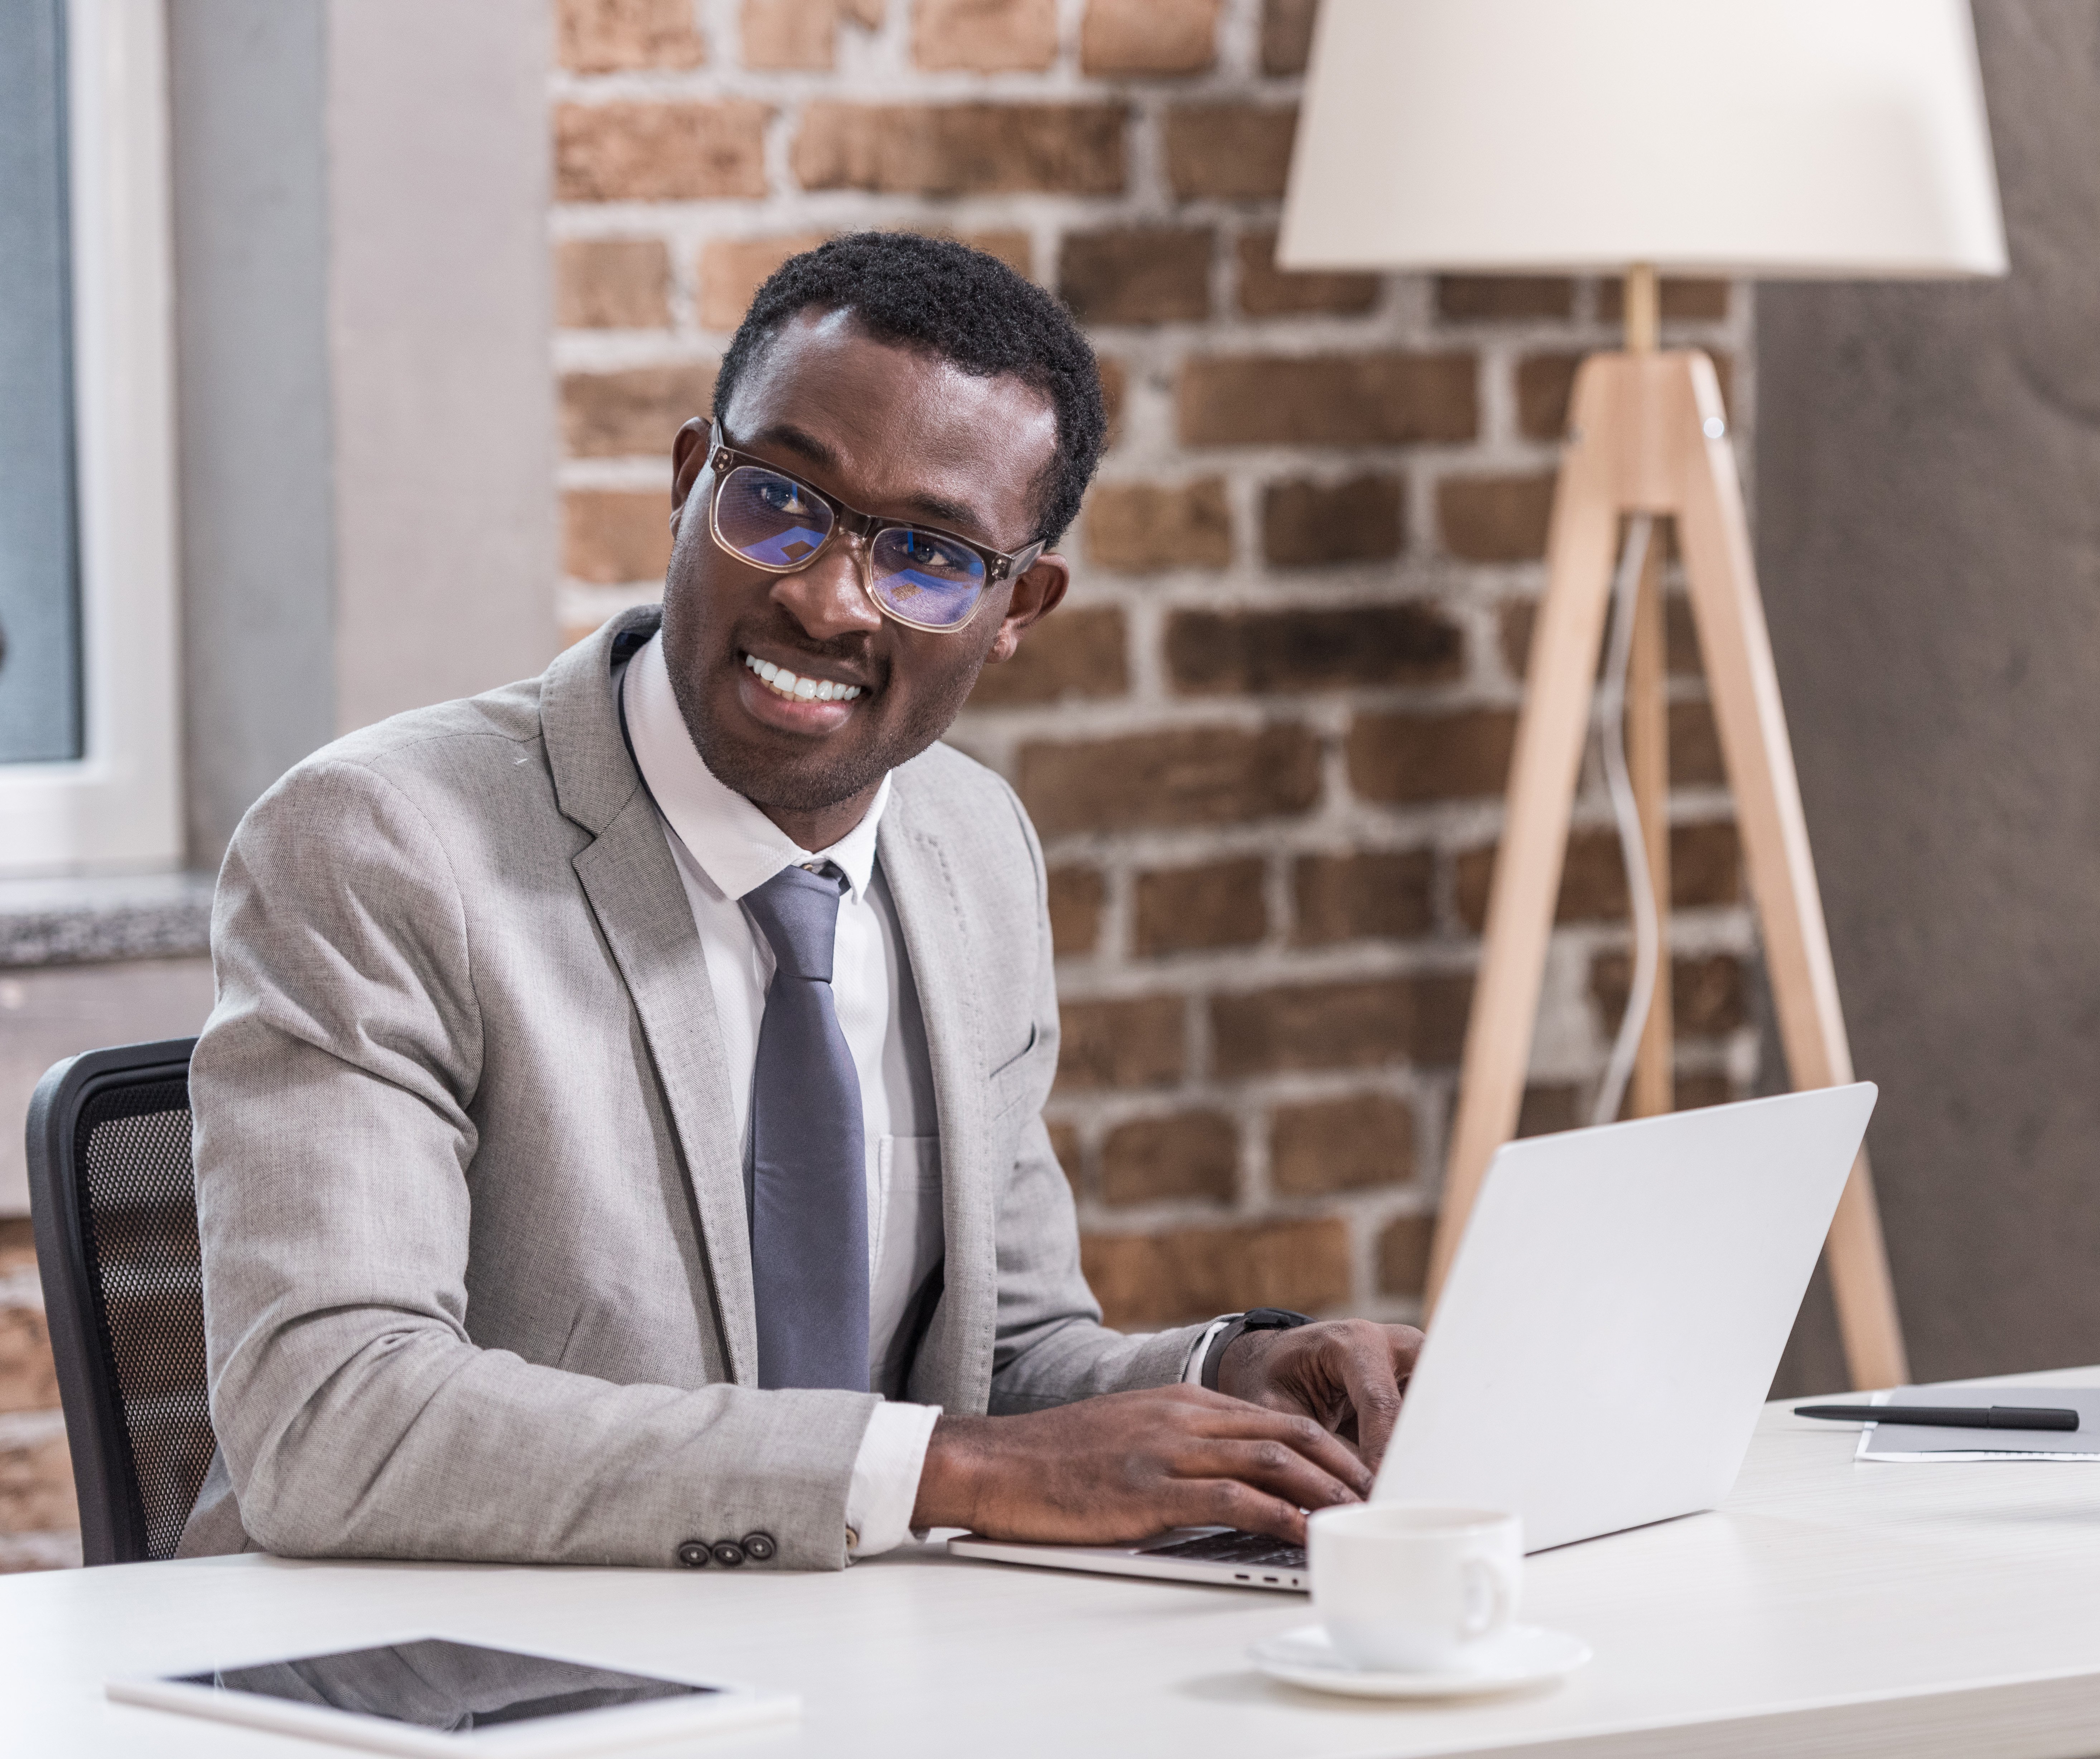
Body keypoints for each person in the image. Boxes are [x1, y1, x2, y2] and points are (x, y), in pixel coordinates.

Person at [181, 233, 1421, 1571]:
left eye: (931, 556)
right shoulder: (384, 843)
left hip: (840, 1660)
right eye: (779, 499)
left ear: (1019, 609)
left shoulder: (973, 845)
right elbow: (334, 1419)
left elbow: (998, 1353)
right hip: (452, 1675)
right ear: (684, 482)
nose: (825, 599)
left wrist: (1234, 1379)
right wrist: (948, 1466)